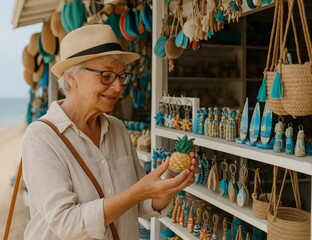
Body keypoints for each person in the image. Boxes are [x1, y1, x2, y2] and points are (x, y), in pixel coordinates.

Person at [22, 24, 199, 240]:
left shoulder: (117, 129)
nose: (118, 87)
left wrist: (169, 184)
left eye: (121, 76)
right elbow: (66, 223)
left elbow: (141, 205)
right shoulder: (41, 137)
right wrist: (138, 192)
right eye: (106, 76)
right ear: (71, 77)